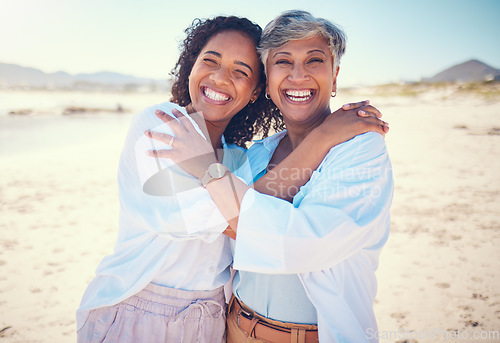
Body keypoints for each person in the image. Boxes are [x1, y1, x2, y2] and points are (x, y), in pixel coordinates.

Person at [76, 14, 387, 343]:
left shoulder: (240, 156)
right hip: (141, 311)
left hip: (212, 320)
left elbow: (250, 213)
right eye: (210, 61)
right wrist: (322, 138)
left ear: (256, 90)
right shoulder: (163, 126)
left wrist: (216, 174)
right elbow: (220, 215)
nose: (221, 78)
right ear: (191, 67)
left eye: (241, 71)